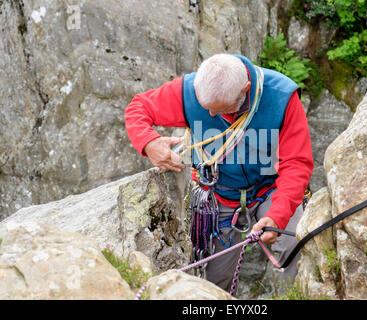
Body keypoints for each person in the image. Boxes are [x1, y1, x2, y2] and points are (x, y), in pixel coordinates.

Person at [125, 53, 313, 293]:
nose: (211, 115)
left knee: (296, 249)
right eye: (207, 109)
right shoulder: (188, 91)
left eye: (220, 109)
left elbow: (297, 162)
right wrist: (148, 142)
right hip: (218, 197)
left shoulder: (281, 96)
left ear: (245, 89)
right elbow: (138, 107)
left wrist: (278, 214)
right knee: (215, 280)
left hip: (271, 189)